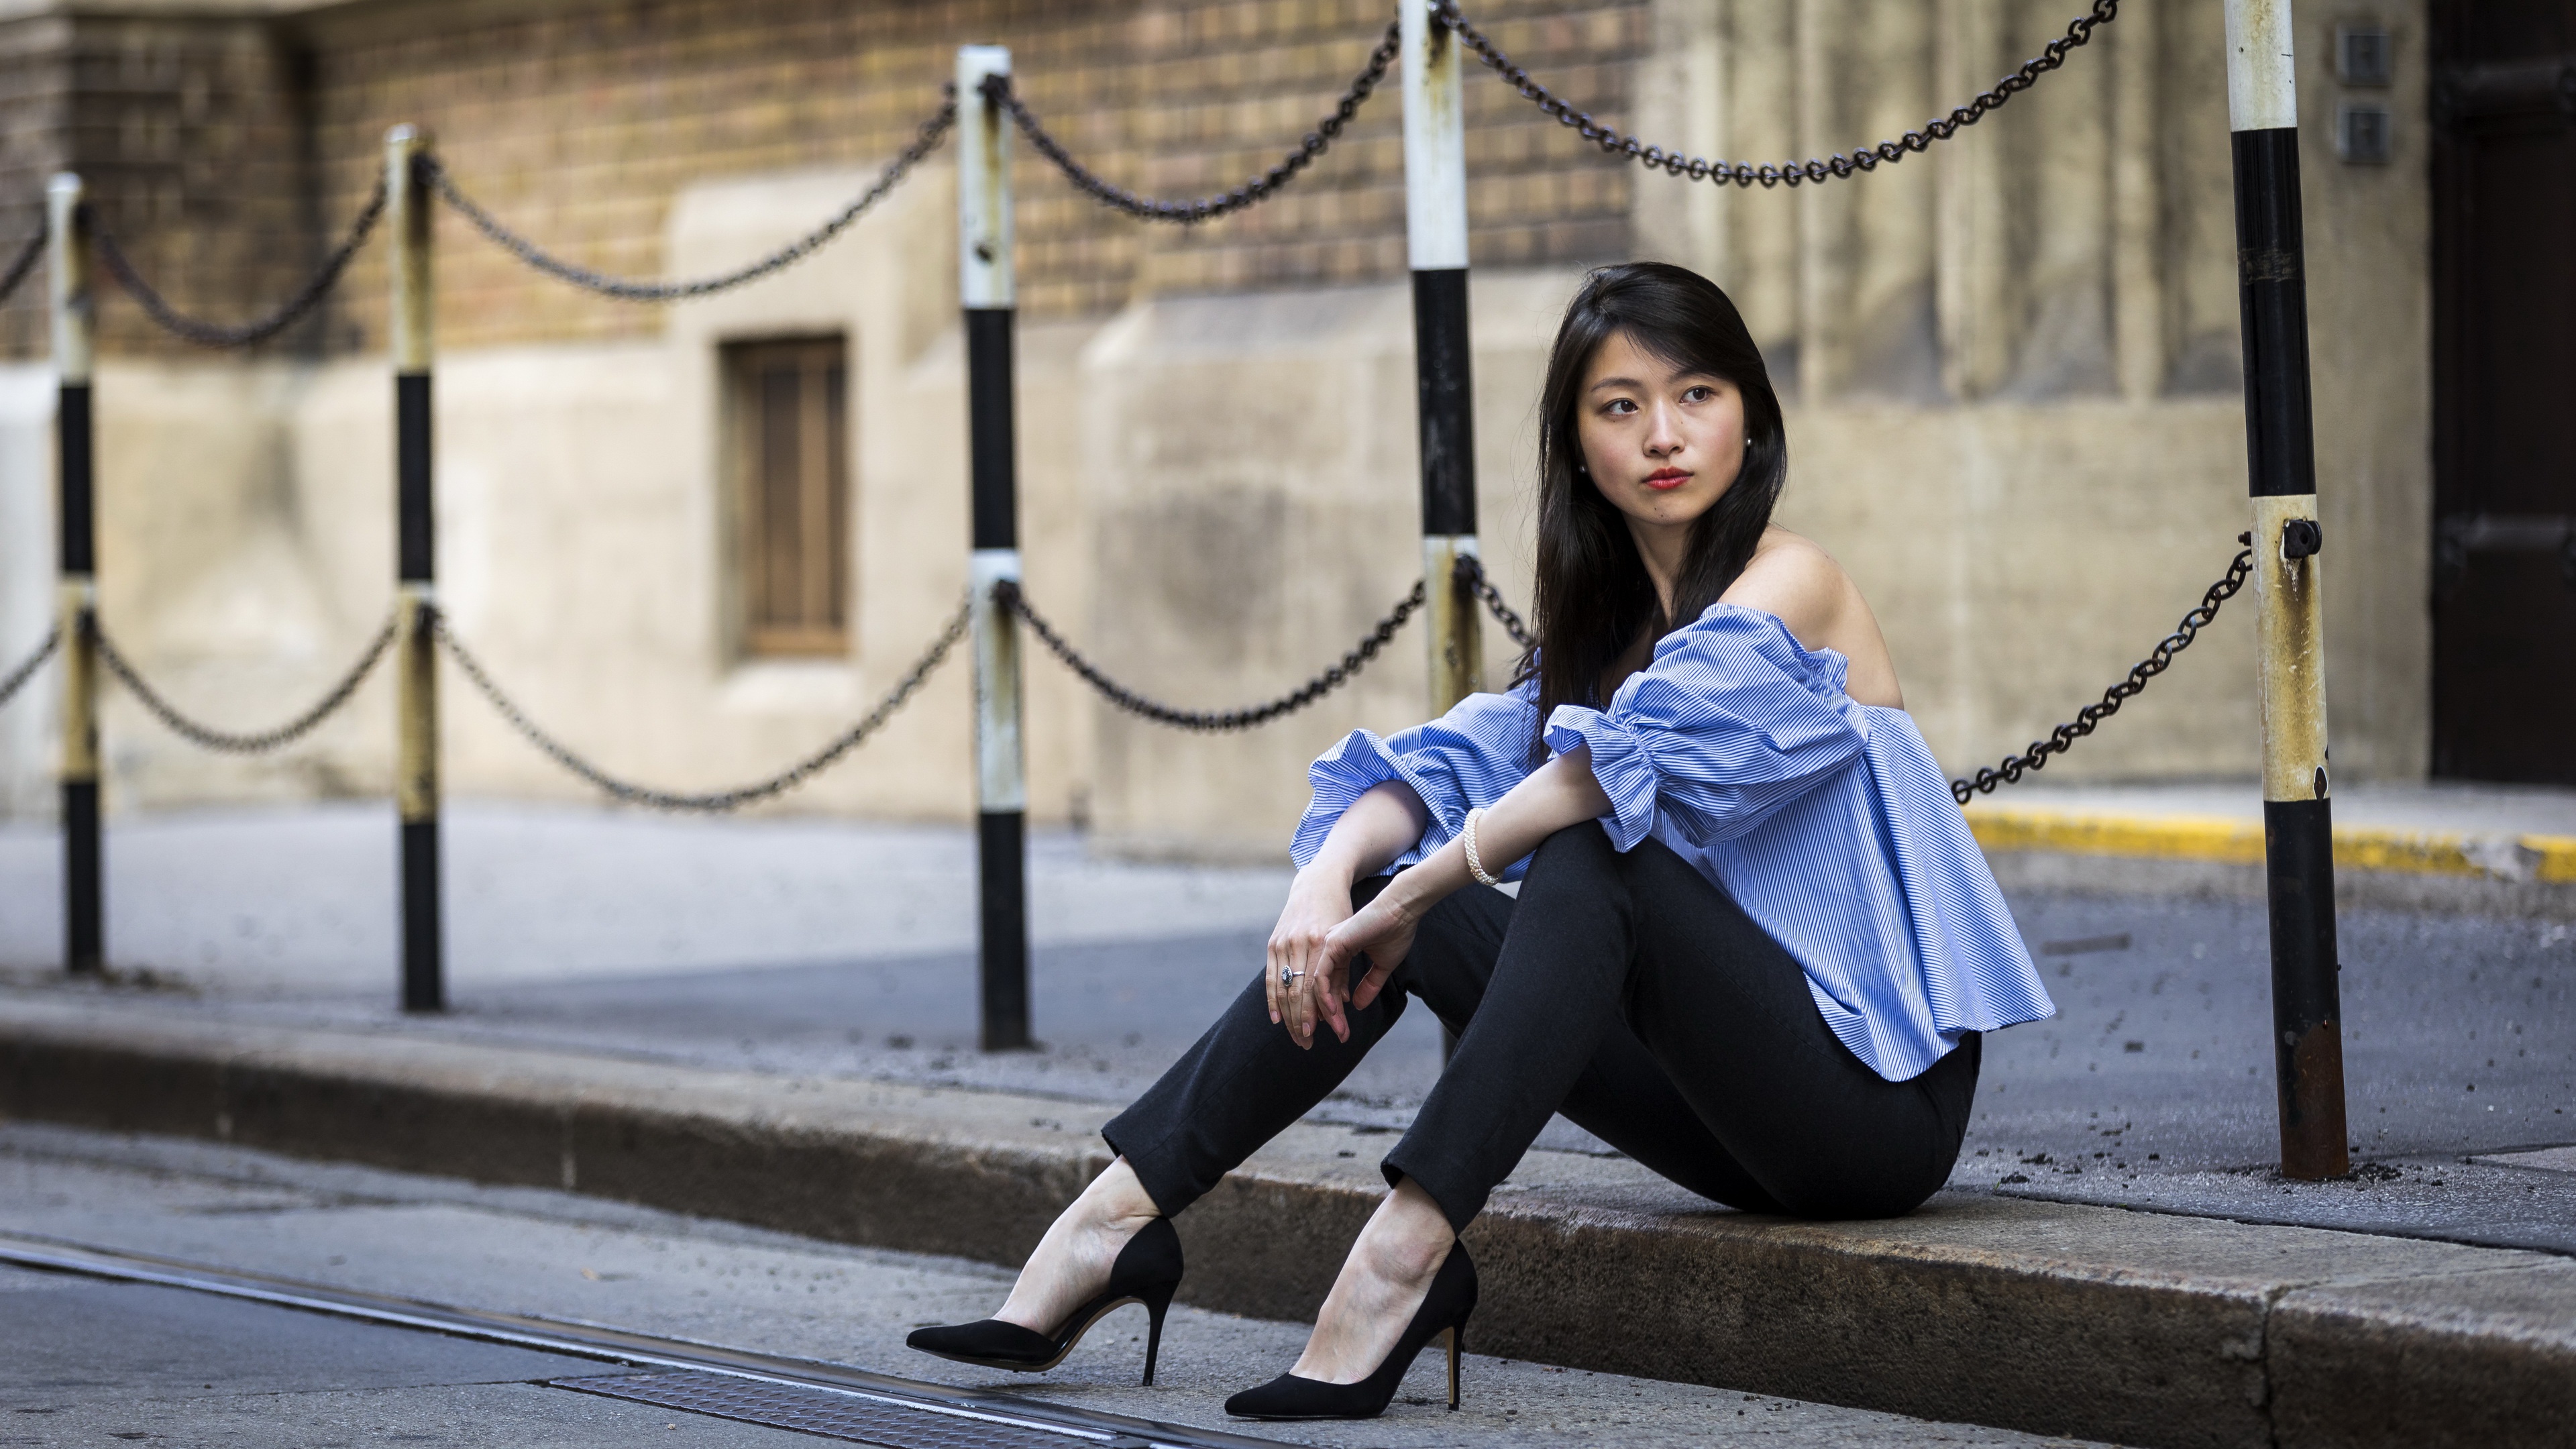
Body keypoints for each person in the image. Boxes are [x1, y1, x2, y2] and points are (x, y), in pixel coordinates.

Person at [906, 262, 2055, 1421]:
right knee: (1434, 885)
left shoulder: (1793, 584)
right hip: (1725, 1123)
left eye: (1697, 394)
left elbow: (1599, 779)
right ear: (1578, 443)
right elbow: (1437, 766)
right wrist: (1324, 882)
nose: (1664, 435)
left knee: (1583, 851)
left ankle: (1404, 1255)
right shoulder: (1606, 644)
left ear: (1751, 414)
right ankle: (1111, 1220)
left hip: (1869, 1114)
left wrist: (1409, 895)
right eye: (1620, 406)